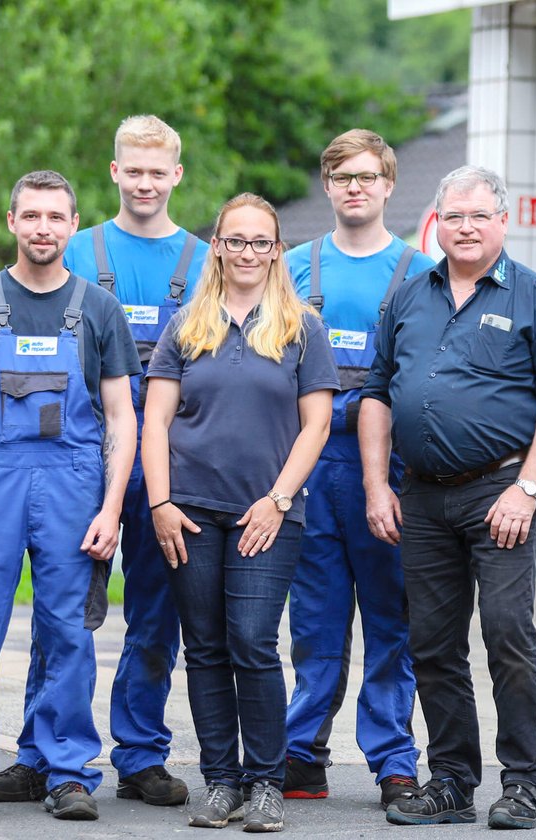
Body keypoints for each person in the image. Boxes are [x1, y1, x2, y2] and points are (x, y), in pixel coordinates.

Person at [0, 114, 205, 809]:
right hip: (80, 461)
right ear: (115, 173)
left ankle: (140, 756)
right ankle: (39, 754)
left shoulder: (205, 260)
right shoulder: (72, 247)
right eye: (131, 170)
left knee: (155, 616)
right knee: (64, 613)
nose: (144, 183)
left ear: (176, 174)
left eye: (156, 171)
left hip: (172, 465)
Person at [360, 165, 536, 829]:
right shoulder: (409, 297)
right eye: (453, 216)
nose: (464, 227)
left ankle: (523, 785)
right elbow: (376, 393)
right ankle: (452, 781)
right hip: (422, 497)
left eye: (478, 216)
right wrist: (377, 483)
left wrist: (527, 486)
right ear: (437, 221)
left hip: (501, 492)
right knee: (431, 643)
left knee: (507, 633)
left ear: (502, 223)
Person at [0, 171, 139, 824]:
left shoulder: (98, 308)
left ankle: (67, 772)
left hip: (74, 490)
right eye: (31, 216)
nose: (43, 228)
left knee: (69, 634)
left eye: (56, 217)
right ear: (11, 221)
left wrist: (111, 507)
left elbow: (123, 417)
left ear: (74, 226)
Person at [142, 193, 338, 833]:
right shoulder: (185, 325)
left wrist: (278, 499)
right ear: (218, 247)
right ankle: (222, 782)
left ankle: (266, 783)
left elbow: (316, 424)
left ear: (276, 250)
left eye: (261, 241)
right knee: (204, 647)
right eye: (236, 240)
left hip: (268, 514)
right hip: (190, 512)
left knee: (253, 643)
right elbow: (156, 420)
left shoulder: (301, 326)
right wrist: (161, 502)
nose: (248, 252)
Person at [283, 128, 433, 808]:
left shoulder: (419, 271)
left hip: (385, 471)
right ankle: (301, 753)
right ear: (327, 185)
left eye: (368, 176)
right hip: (309, 467)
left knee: (389, 624)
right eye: (343, 176)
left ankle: (395, 763)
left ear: (388, 185)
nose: (355, 187)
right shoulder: (293, 266)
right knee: (313, 624)